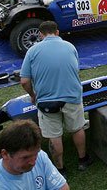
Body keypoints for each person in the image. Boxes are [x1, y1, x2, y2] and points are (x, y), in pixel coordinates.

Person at [20, 21, 93, 176]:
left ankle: (60, 169)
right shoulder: (70, 47)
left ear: (40, 35)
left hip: (46, 101)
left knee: (54, 136)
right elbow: (75, 69)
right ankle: (83, 160)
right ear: (57, 32)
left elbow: (24, 81)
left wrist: (33, 95)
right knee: (77, 128)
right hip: (72, 97)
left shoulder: (32, 51)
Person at [0, 120, 68, 190]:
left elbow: (62, 187)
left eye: (35, 154)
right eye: (25, 157)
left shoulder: (40, 156)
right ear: (5, 154)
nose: (33, 162)